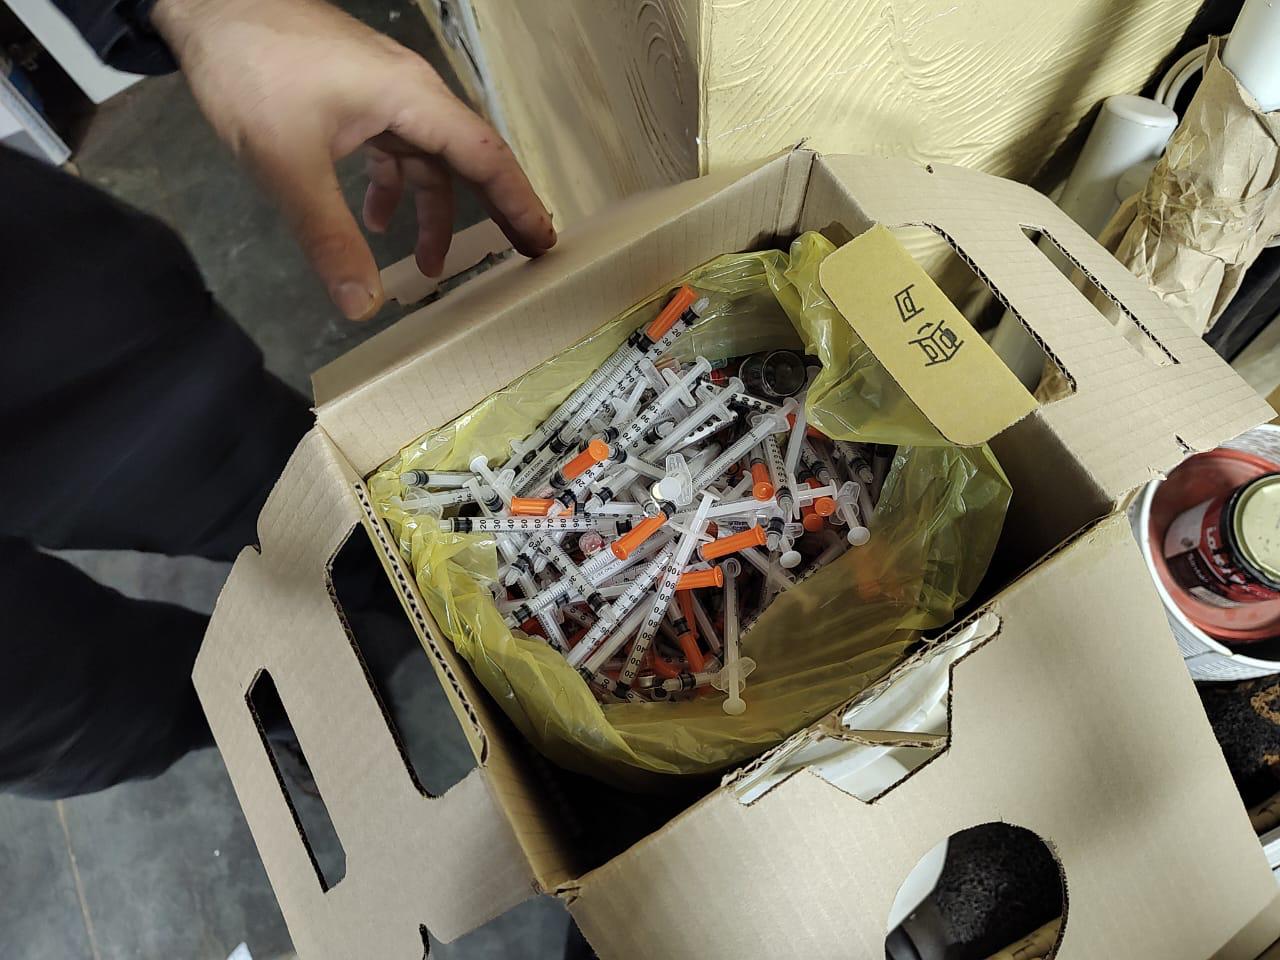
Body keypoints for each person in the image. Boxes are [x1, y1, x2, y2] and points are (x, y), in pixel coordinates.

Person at [0, 0, 556, 798]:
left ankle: (401, 596)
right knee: (77, 710)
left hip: (35, 324)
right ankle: (272, 705)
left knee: (265, 480)